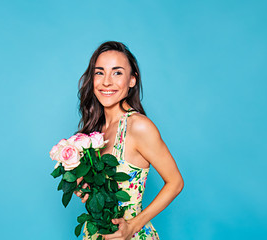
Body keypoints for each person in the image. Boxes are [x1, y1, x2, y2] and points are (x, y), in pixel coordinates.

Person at [74, 41, 184, 240]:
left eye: (117, 72)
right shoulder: (95, 133)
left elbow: (175, 182)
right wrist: (87, 190)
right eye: (99, 72)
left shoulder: (138, 126)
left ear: (132, 80)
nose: (106, 81)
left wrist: (132, 225)